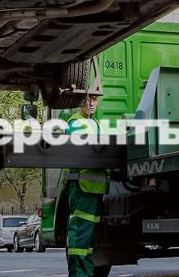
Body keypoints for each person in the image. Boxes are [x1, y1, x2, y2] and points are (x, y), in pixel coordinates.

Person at [63, 69, 108, 277]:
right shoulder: (75, 122)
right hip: (82, 190)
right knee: (81, 238)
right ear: (80, 101)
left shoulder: (95, 123)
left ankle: (85, 273)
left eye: (95, 99)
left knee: (88, 241)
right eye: (88, 99)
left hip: (93, 190)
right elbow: (89, 150)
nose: (91, 103)